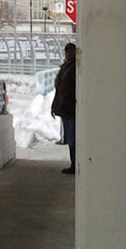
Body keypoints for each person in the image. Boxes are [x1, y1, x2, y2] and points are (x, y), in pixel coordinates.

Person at [51, 42, 77, 174]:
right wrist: (54, 106)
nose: (68, 54)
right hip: (66, 109)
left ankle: (75, 165)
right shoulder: (66, 68)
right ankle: (74, 164)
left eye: (70, 52)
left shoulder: (74, 69)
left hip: (72, 110)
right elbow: (59, 89)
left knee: (73, 139)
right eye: (67, 52)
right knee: (70, 139)